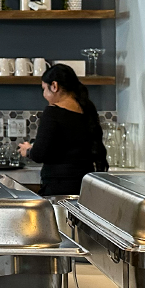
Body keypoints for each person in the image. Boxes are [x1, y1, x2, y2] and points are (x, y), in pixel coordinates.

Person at [17, 63, 109, 196]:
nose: (44, 94)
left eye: (44, 89)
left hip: (58, 187)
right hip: (84, 185)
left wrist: (28, 150)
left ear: (54, 86)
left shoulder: (52, 112)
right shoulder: (87, 108)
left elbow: (39, 154)